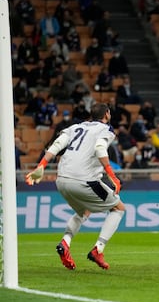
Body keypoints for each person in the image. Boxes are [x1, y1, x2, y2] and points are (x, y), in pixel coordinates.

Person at [25, 103, 125, 270]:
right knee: (119, 208)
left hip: (62, 180)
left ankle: (65, 242)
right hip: (84, 181)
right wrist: (112, 175)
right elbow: (100, 148)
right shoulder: (105, 129)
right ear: (107, 114)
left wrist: (41, 165)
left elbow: (56, 145)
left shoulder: (75, 127)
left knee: (83, 211)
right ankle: (97, 250)